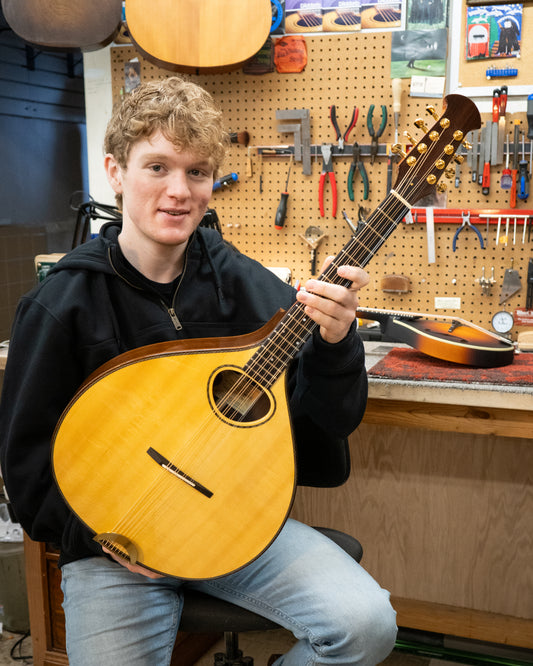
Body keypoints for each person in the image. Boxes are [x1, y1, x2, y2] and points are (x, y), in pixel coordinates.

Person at [0, 76, 397, 665]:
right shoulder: (62, 306)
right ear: (115, 170)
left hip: (231, 524)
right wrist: (96, 536)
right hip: (121, 548)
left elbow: (328, 422)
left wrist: (337, 342)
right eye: (157, 167)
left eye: (197, 172)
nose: (178, 191)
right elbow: (27, 472)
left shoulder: (240, 280)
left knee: (365, 626)